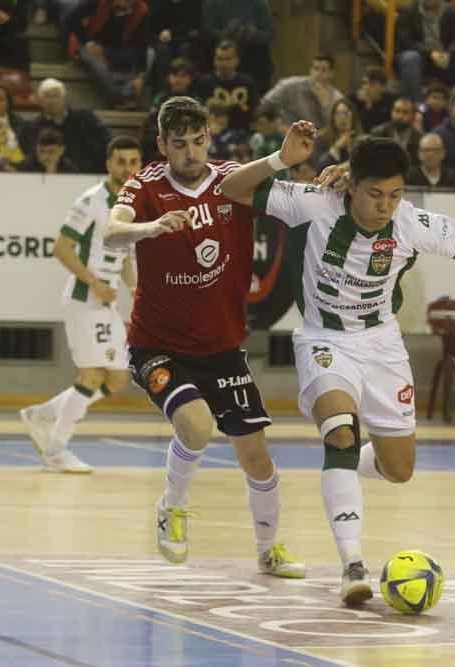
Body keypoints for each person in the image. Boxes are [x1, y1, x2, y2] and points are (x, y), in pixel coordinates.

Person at [218, 135, 455, 604]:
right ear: (351, 185)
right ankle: (352, 564)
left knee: (400, 469)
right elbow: (230, 189)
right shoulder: (314, 203)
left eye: (395, 195)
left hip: (382, 345)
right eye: (375, 194)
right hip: (324, 340)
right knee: (339, 429)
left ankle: (342, 464)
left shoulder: (412, 224)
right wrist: (280, 160)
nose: (385, 206)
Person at [101, 97, 306, 576]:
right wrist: (151, 228)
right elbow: (112, 232)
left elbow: (298, 199)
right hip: (157, 344)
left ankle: (269, 549)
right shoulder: (146, 184)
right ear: (162, 146)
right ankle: (170, 507)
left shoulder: (232, 181)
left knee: (257, 458)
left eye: (198, 142)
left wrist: (325, 179)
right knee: (195, 425)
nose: (191, 154)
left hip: (222, 346)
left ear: (209, 138)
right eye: (179, 145)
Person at [20, 137, 143, 473]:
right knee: (91, 374)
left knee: (117, 379)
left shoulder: (134, 205)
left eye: (134, 162)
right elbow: (61, 248)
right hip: (83, 298)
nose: (127, 169)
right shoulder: (90, 201)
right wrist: (94, 282)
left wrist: (136, 292)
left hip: (106, 302)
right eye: (121, 161)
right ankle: (56, 451)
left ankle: (42, 414)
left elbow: (129, 255)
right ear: (109, 164)